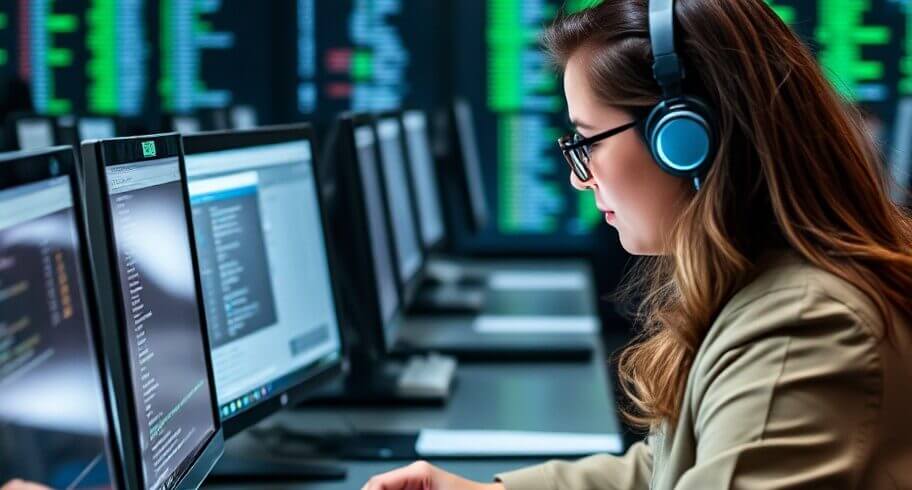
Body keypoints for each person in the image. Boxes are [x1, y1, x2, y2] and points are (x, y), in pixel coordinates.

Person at [361, 0, 912, 488]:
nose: (580, 177)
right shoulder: (759, 288)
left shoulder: (803, 329)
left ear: (684, 140)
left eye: (587, 141)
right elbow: (665, 469)